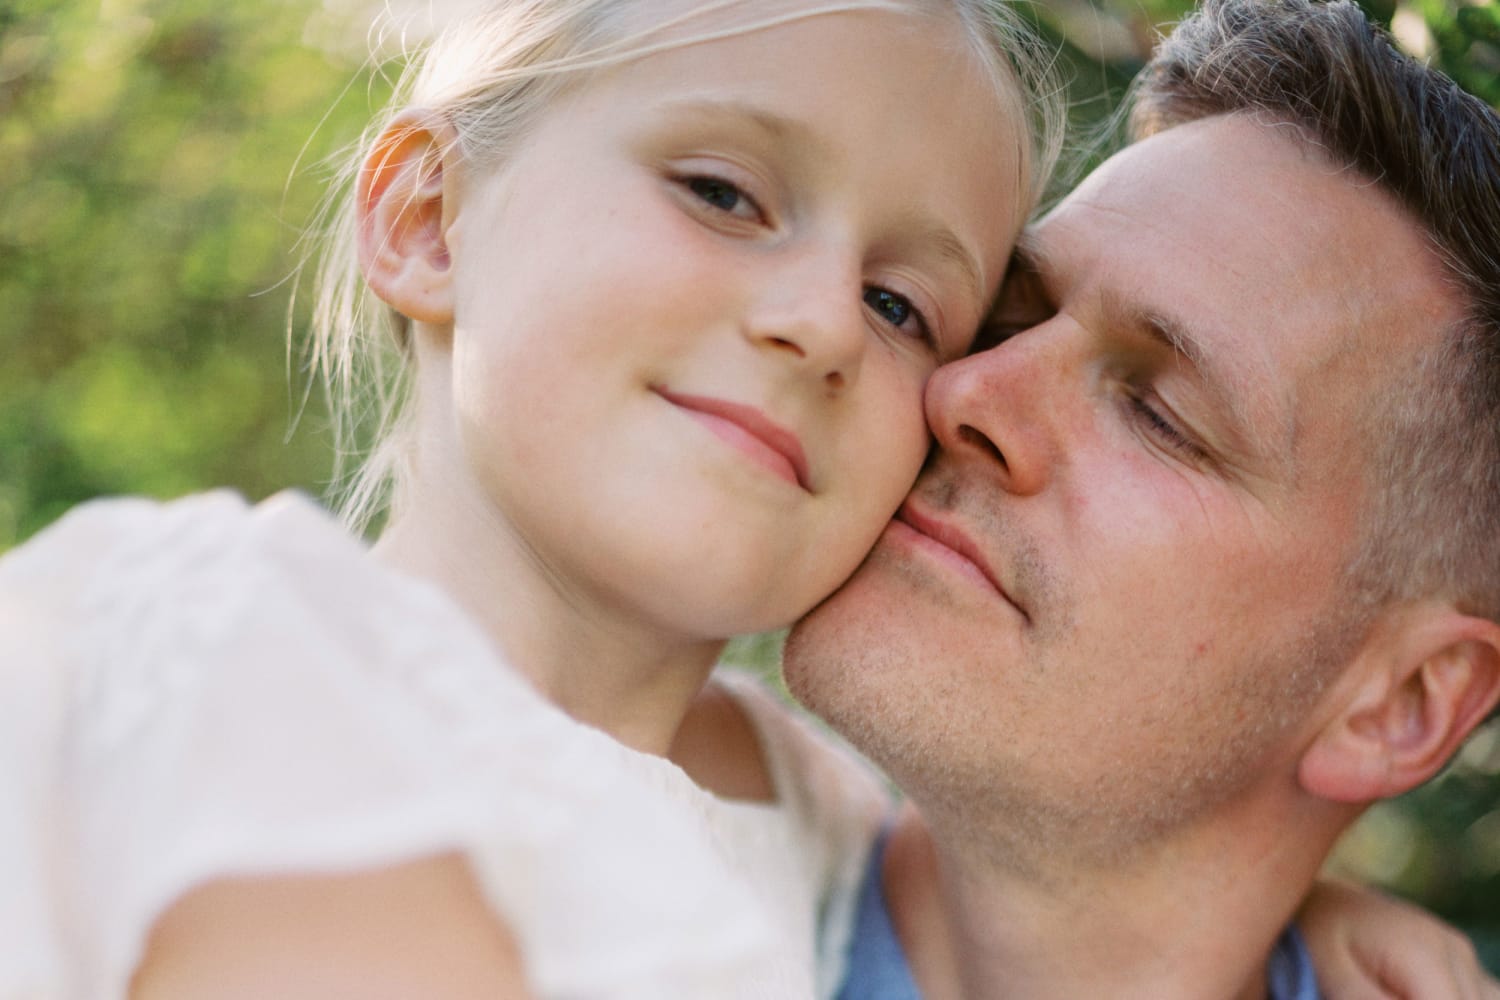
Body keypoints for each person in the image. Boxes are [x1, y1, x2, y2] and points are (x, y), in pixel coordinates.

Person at [0, 1, 1482, 998]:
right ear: (424, 216)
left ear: (1400, 706)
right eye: (721, 195)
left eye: (908, 304)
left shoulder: (781, 817)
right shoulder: (232, 661)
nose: (953, 387)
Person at [777, 0, 1500, 997]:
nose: (964, 390)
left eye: (1160, 414)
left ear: (1401, 703)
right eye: (1016, 311)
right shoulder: (565, 876)